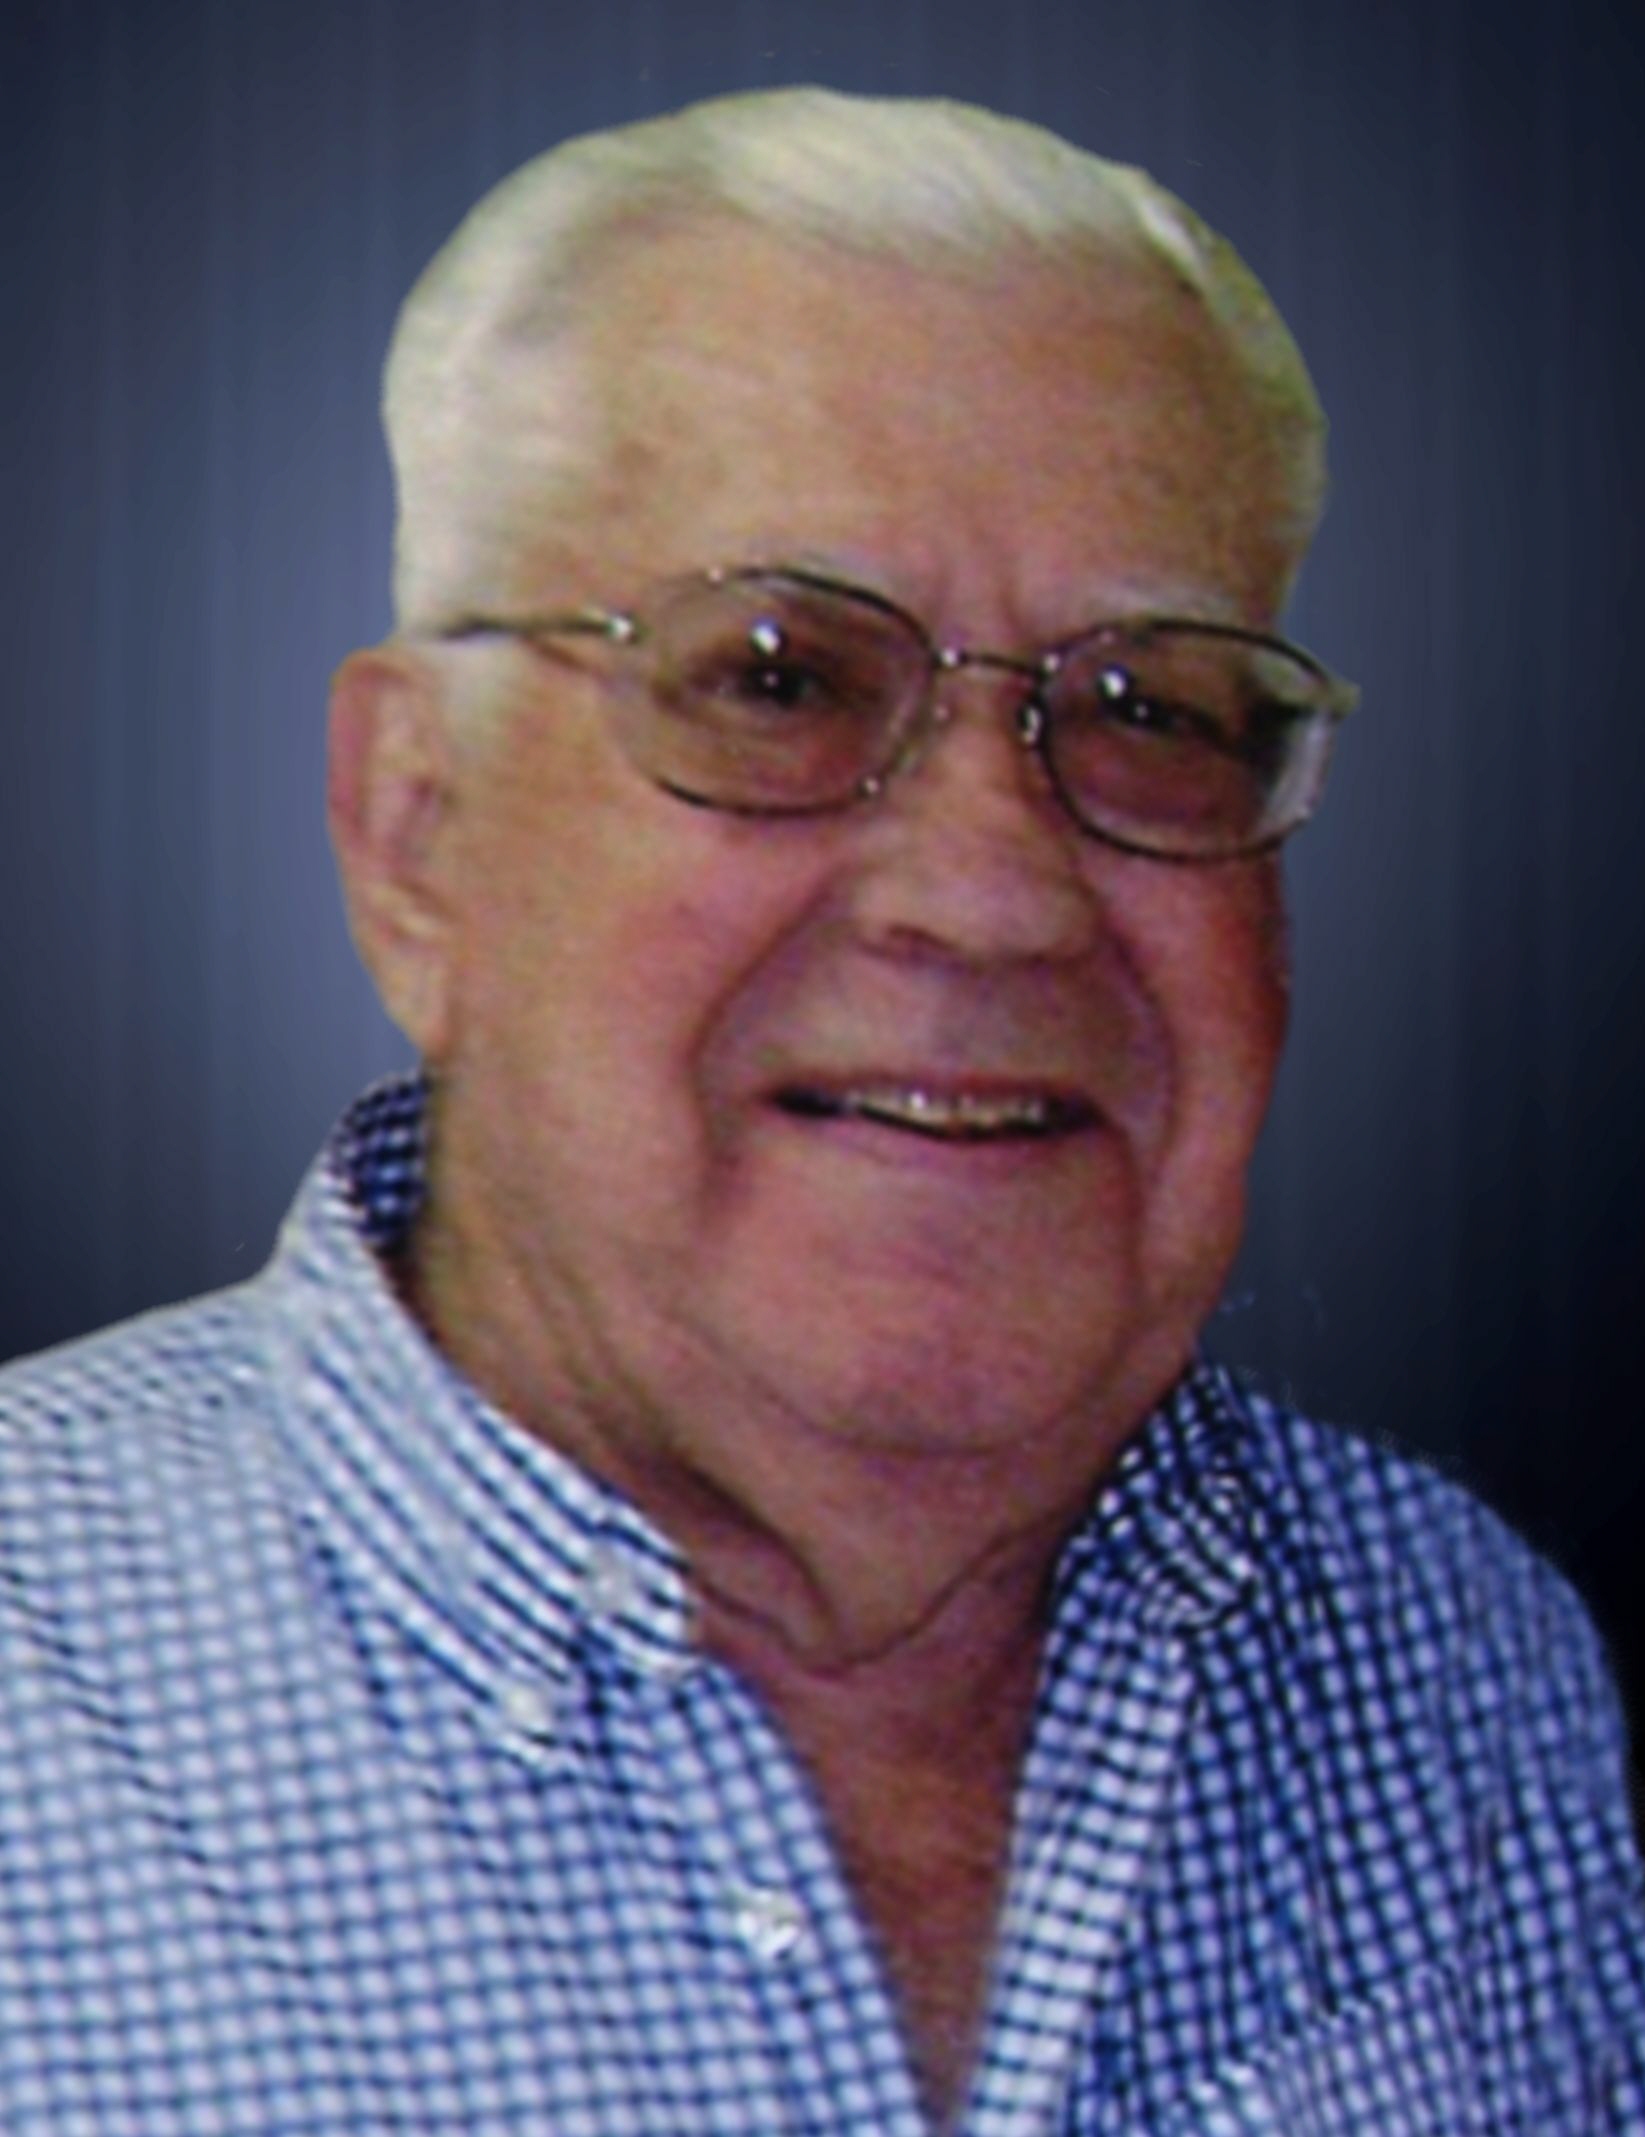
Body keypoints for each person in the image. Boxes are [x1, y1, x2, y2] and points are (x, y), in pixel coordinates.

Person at [0, 86, 1638, 2136]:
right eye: (778, 677)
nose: (995, 893)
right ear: (416, 830)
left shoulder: (1458, 1667)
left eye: (1150, 710)